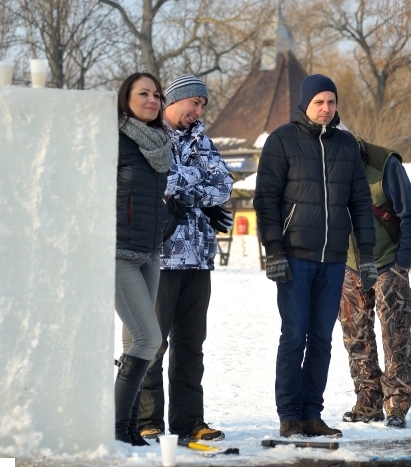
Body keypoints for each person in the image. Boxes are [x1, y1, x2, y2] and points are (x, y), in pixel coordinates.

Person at [254, 74, 377, 439]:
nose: (326, 108)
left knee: (321, 339)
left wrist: (366, 255)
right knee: (294, 336)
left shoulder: (346, 146)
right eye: (319, 102)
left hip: (334, 258)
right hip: (294, 257)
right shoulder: (281, 141)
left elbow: (360, 203)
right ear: (306, 103)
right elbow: (266, 200)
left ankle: (311, 413)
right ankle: (289, 414)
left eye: (332, 102)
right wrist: (273, 250)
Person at [124, 74, 234, 442]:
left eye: (203, 105)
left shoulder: (203, 141)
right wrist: (194, 191)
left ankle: (189, 423)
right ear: (174, 101)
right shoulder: (151, 137)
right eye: (194, 103)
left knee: (191, 346)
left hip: (199, 258)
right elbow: (162, 182)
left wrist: (190, 196)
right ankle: (146, 419)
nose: (199, 110)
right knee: (151, 343)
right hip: (160, 257)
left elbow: (224, 185)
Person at [339, 137, 411, 428]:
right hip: (349, 263)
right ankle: (368, 401)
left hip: (387, 261)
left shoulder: (385, 164)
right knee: (355, 337)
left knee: (395, 335)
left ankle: (397, 403)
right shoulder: (325, 164)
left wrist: (402, 262)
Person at [113, 72, 172, 446]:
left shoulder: (160, 143)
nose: (152, 100)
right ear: (126, 98)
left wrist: (171, 215)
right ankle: (116, 428)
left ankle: (130, 426)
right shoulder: (113, 139)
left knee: (138, 340)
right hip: (117, 250)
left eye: (156, 94)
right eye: (143, 93)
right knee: (149, 339)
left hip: (150, 251)